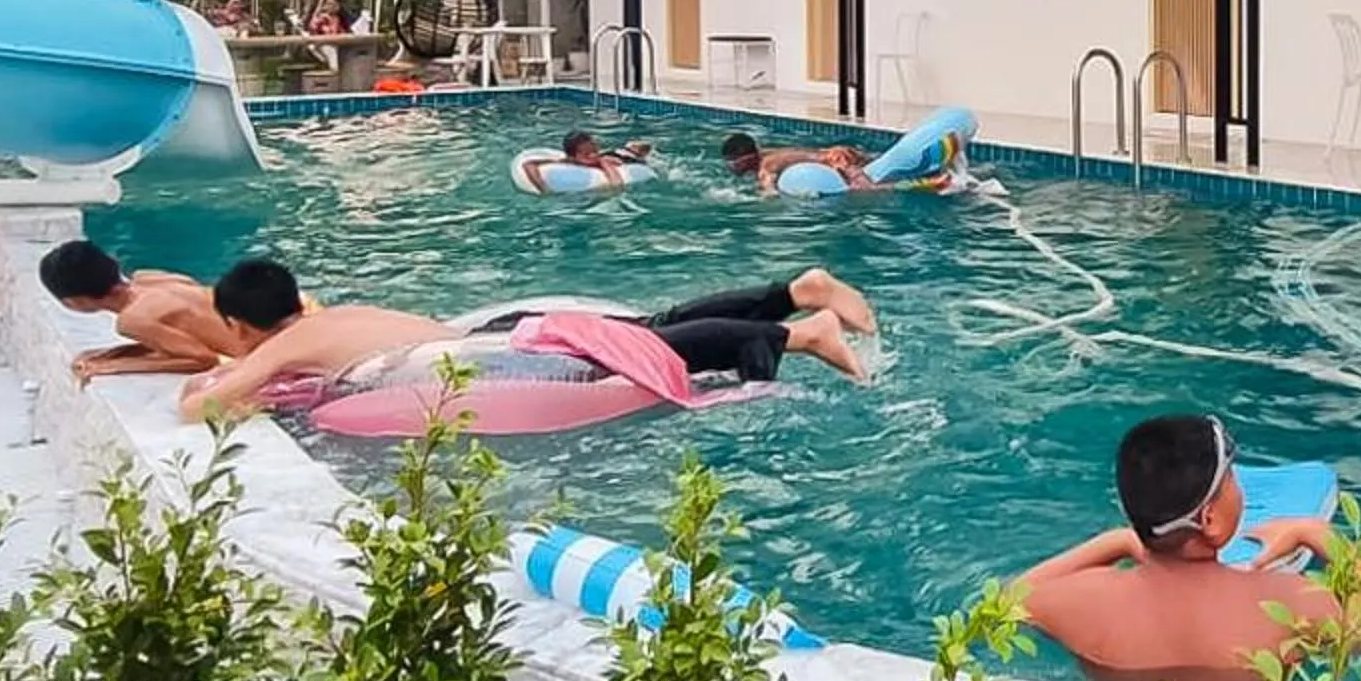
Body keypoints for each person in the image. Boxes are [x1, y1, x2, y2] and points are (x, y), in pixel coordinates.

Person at [1016, 414, 1361, 681]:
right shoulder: (1287, 604)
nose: (1239, 484)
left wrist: (1119, 542)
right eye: (1231, 476)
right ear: (1210, 519)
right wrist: (1316, 533)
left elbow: (999, 605)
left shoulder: (1085, 601)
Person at [179, 257, 880, 421]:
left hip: (472, 359)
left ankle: (800, 333)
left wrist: (207, 382)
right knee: (648, 329)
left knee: (643, 347)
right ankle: (797, 294)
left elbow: (198, 409)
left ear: (242, 325)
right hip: (477, 337)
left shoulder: (279, 345)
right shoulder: (333, 314)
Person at [37, 239, 260, 380]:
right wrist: (112, 354)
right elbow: (181, 337)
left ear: (74, 302)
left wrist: (114, 367)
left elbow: (202, 359)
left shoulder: (132, 320)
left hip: (267, 349)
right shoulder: (152, 277)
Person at [721, 130, 876, 194]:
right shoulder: (766, 154)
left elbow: (771, 195)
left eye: (734, 164)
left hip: (837, 159)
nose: (731, 168)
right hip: (837, 152)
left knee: (867, 190)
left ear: (748, 160)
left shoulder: (766, 167)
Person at [519, 130, 656, 193]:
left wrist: (603, 162)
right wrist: (543, 188)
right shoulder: (566, 161)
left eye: (594, 150)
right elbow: (528, 164)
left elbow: (617, 185)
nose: (593, 155)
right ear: (572, 157)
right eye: (587, 154)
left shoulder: (601, 160)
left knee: (636, 156)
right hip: (609, 157)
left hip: (619, 159)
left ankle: (634, 148)